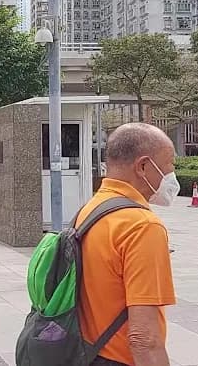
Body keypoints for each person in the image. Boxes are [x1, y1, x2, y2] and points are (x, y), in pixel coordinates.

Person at [75, 123, 177, 366]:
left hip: (88, 352)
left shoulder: (91, 210)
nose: (172, 173)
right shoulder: (142, 226)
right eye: (170, 163)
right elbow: (143, 339)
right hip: (120, 359)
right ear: (143, 166)